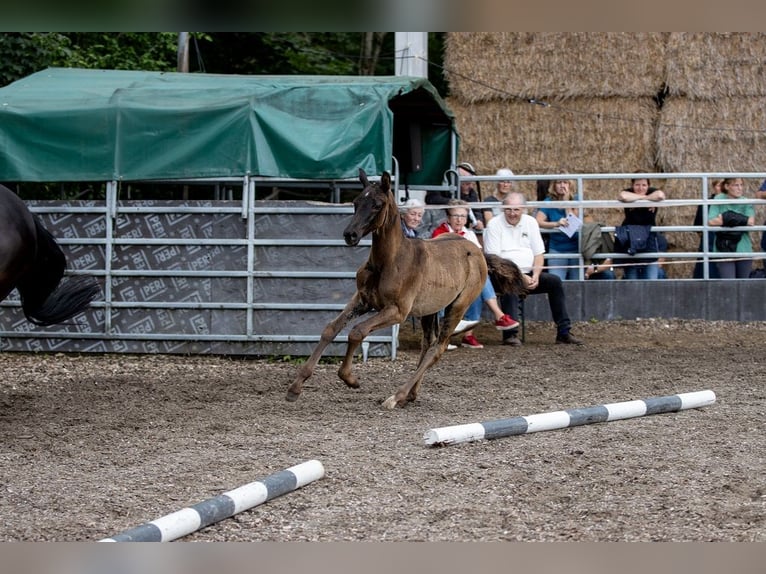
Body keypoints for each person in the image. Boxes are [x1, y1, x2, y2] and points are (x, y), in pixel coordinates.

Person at [483, 192, 584, 346]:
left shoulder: (531, 222)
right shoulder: (494, 224)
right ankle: (510, 334)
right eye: (509, 209)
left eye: (516, 210)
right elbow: (495, 262)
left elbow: (539, 254)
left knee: (555, 282)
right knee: (510, 283)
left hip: (529, 273)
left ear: (523, 209)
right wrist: (520, 276)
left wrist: (536, 274)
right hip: (502, 275)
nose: (512, 213)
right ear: (503, 208)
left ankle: (564, 332)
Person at [431, 200, 519, 349]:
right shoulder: (440, 233)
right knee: (478, 278)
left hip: (465, 278)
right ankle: (499, 315)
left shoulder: (469, 234)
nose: (459, 219)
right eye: (456, 215)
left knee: (478, 281)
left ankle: (468, 335)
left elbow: (479, 259)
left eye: (463, 216)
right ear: (448, 217)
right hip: (445, 278)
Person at [616, 177, 666, 280]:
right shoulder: (628, 192)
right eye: (637, 185)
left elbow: (660, 195)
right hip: (631, 239)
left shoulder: (652, 191)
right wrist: (645, 198)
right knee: (632, 281)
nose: (641, 188)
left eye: (644, 185)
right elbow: (623, 196)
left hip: (649, 239)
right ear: (632, 185)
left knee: (651, 279)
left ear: (648, 186)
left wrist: (639, 198)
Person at [707, 177, 755, 279]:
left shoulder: (746, 201)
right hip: (723, 248)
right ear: (727, 186)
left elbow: (750, 222)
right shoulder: (719, 199)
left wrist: (726, 217)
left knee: (743, 284)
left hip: (743, 248)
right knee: (729, 284)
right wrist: (741, 219)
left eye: (741, 185)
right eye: (736, 185)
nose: (740, 188)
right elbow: (711, 221)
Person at [535, 178, 580, 280]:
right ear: (554, 185)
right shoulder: (548, 201)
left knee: (576, 285)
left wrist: (566, 203)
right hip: (557, 249)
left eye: (565, 182)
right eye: (559, 182)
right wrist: (556, 224)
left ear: (570, 185)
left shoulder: (576, 199)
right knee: (556, 282)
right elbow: (538, 221)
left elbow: (573, 224)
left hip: (575, 248)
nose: (562, 185)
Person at [692, 179, 722, 279]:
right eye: (718, 186)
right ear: (713, 187)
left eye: (723, 185)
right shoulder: (705, 204)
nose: (721, 188)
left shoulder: (730, 202)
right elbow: (698, 225)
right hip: (708, 243)